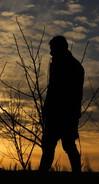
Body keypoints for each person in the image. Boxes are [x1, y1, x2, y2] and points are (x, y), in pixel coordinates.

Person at [39, 35, 84, 173]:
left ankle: (76, 173)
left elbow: (65, 91)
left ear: (61, 48)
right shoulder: (66, 64)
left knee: (65, 145)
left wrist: (50, 109)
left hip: (64, 113)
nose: (51, 52)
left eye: (52, 48)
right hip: (59, 112)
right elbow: (53, 90)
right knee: (52, 145)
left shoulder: (71, 66)